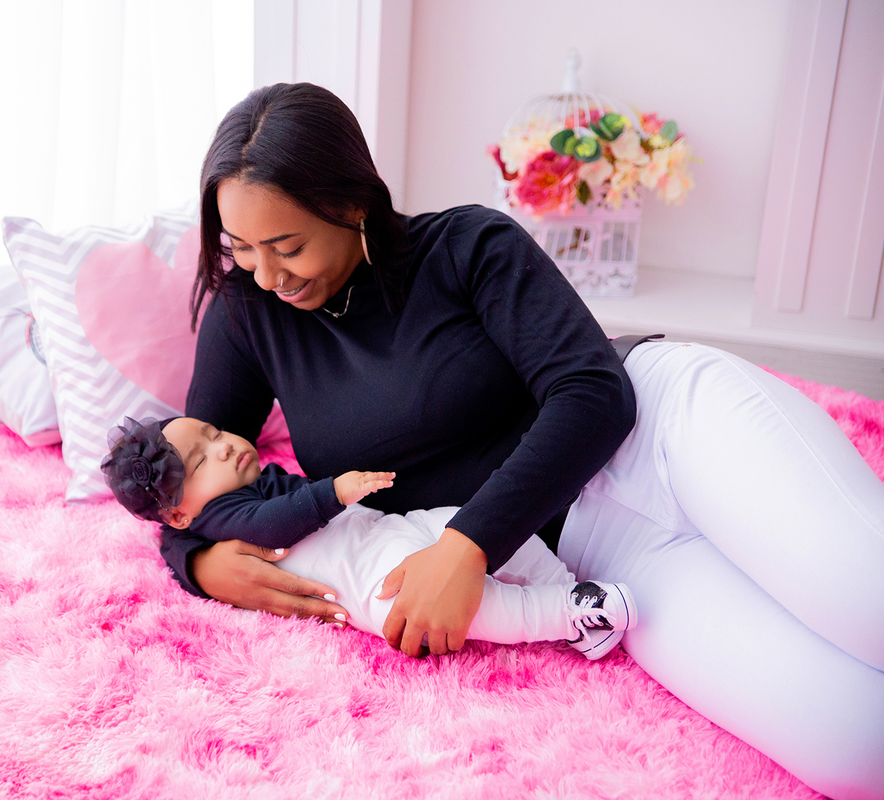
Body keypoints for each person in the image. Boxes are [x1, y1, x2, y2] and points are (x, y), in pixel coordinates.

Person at [152, 82, 884, 800]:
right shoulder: (247, 315)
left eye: (286, 246)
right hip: (596, 551)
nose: (266, 274)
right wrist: (202, 563)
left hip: (665, 433)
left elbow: (593, 392)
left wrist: (467, 547)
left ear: (350, 204)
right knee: (856, 751)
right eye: (241, 248)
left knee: (867, 602)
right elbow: (180, 470)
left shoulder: (466, 245)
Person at [101, 416, 638, 660]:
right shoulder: (220, 517)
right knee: (473, 606)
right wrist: (334, 491)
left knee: (474, 523)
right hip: (373, 582)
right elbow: (273, 525)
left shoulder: (249, 481)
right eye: (201, 460)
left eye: (215, 432)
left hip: (389, 531)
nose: (223, 447)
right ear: (178, 516)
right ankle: (566, 613)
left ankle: (564, 587)